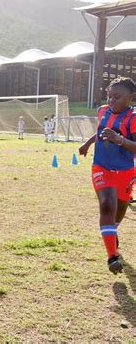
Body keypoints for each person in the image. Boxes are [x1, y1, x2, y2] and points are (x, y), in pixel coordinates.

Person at [78, 77, 136, 275]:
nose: (111, 101)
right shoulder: (102, 110)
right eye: (109, 96)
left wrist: (119, 139)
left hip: (126, 172)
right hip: (101, 167)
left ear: (131, 98)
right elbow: (101, 131)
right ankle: (112, 256)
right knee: (107, 206)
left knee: (118, 213)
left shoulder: (133, 118)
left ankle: (112, 234)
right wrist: (88, 143)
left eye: (117, 97)